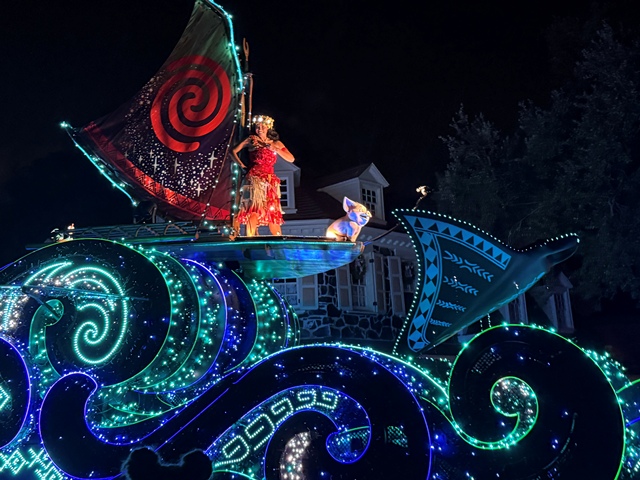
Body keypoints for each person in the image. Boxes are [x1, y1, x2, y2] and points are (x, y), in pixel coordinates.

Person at [231, 114, 295, 236]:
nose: (260, 129)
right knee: (254, 208)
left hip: (270, 180)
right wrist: (242, 166)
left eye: (263, 126)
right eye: (257, 126)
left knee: (272, 210)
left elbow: (291, 159)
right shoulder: (252, 140)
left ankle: (277, 239)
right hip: (255, 178)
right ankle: (251, 237)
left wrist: (275, 149)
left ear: (269, 128)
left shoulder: (276, 143)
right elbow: (233, 151)